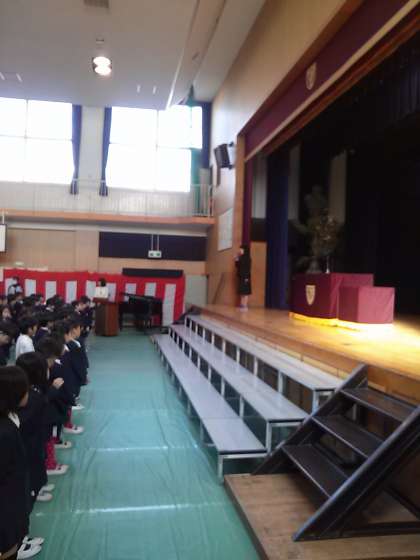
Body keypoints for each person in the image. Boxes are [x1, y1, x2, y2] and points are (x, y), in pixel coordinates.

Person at [0, 365, 43, 560]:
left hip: (13, 498)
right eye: (25, 389)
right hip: (7, 504)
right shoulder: (5, 432)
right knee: (9, 546)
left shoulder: (10, 420)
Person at [235, 244, 252, 311]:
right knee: (242, 291)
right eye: (240, 249)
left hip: (246, 276)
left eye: (241, 249)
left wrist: (247, 277)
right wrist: (236, 259)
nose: (240, 250)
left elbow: (248, 268)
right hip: (241, 276)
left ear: (245, 250)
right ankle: (242, 305)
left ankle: (245, 306)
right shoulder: (241, 257)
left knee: (245, 292)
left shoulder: (248, 258)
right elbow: (237, 266)